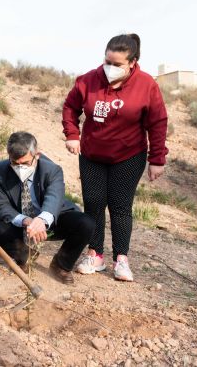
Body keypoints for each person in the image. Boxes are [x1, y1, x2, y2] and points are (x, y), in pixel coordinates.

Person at [62, 33, 168, 282]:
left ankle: (121, 259)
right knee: (94, 203)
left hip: (129, 154)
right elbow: (70, 107)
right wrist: (72, 134)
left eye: (117, 64)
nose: (110, 68)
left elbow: (158, 122)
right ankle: (95, 254)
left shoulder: (146, 85)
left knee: (120, 206)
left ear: (132, 62)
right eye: (107, 61)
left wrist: (157, 159)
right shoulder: (88, 80)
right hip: (92, 153)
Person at [0, 132, 95, 284]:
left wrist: (41, 220)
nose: (19, 168)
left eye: (25, 163)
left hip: (51, 222)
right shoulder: (0, 170)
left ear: (36, 155)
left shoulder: (52, 169)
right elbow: (1, 206)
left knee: (86, 224)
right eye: (14, 163)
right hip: (22, 225)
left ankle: (61, 265)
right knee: (0, 232)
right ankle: (23, 256)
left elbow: (54, 197)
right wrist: (26, 221)